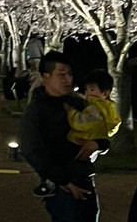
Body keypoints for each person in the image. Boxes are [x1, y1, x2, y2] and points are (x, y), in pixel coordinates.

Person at [19, 52, 111, 222]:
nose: (68, 79)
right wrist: (61, 181)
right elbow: (32, 150)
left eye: (70, 74)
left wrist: (98, 145)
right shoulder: (37, 109)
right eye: (62, 74)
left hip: (87, 182)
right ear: (46, 77)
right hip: (62, 189)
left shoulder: (78, 102)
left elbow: (104, 133)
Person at [34, 69, 120, 198]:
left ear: (105, 93)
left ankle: (49, 182)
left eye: (91, 90)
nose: (86, 94)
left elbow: (82, 122)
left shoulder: (90, 106)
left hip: (76, 152)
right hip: (82, 167)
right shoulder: (108, 108)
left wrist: (71, 113)